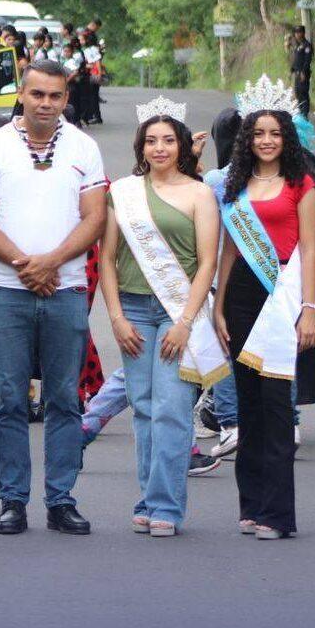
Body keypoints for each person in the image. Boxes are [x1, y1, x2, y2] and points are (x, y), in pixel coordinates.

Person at [0, 60, 107, 536]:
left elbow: (94, 218)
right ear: (22, 95)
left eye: (55, 96)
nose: (46, 103)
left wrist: (51, 263)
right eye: (38, 95)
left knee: (65, 398)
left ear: (66, 99)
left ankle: (61, 499)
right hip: (6, 291)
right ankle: (12, 500)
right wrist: (27, 266)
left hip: (66, 290)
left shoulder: (84, 147)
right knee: (8, 398)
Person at [99, 99, 221, 536]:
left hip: (177, 311)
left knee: (172, 409)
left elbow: (207, 262)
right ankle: (148, 498)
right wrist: (115, 318)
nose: (159, 148)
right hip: (132, 309)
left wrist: (187, 320)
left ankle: (166, 506)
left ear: (183, 145)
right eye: (151, 141)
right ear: (141, 147)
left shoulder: (200, 193)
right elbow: (107, 258)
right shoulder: (123, 193)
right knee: (145, 408)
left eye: (168, 140)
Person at [212, 78, 315, 539]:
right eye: (259, 134)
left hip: (284, 294)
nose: (267, 141)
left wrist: (310, 308)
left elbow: (312, 250)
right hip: (240, 297)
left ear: (287, 137)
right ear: (247, 138)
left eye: (275, 133)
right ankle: (252, 506)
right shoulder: (235, 182)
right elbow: (231, 249)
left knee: (277, 407)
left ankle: (279, 514)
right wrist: (217, 305)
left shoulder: (301, 184)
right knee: (248, 406)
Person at [289, 26, 314, 118]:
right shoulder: (298, 46)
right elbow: (296, 60)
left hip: (304, 74)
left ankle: (305, 114)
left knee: (303, 93)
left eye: (299, 32)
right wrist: (291, 70)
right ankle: (300, 112)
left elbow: (307, 60)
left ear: (303, 33)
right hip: (297, 73)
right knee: (298, 93)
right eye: (296, 32)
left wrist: (303, 72)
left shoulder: (307, 45)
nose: (297, 34)